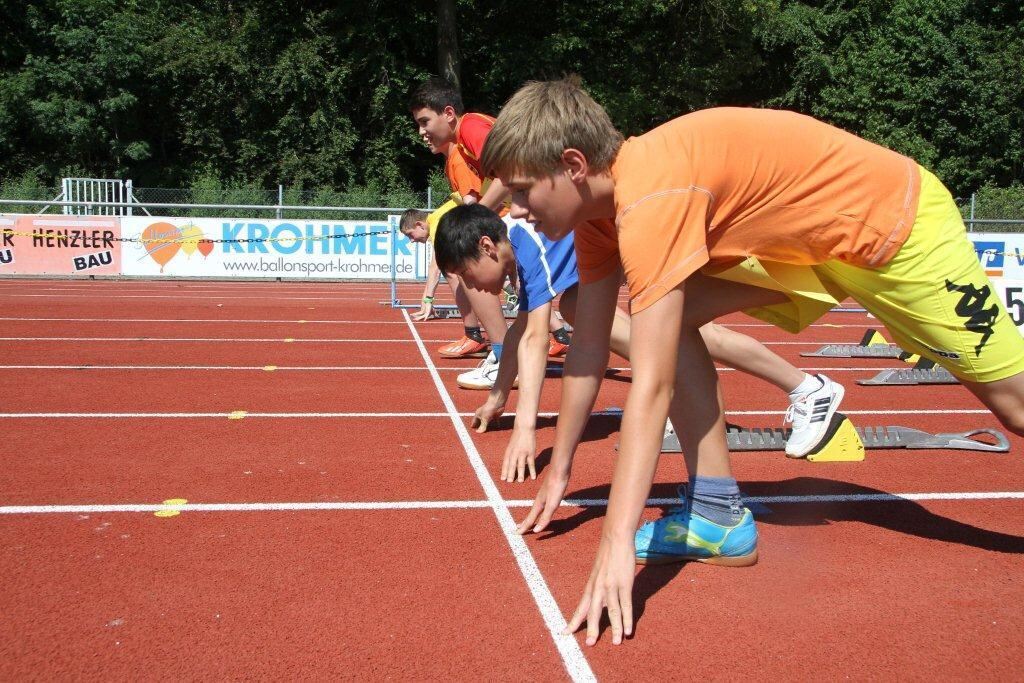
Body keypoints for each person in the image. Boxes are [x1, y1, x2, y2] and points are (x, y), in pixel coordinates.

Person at [479, 78, 1024, 646]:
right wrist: (561, 466)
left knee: (1015, 406)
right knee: (669, 315)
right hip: (810, 248)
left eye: (520, 191)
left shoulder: (652, 198)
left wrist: (615, 541)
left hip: (894, 227)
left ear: (572, 165)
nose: (514, 212)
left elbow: (653, 384)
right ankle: (717, 514)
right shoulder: (599, 216)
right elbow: (589, 348)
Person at [434, 203, 848, 485]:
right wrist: (498, 395)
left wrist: (526, 430)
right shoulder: (521, 247)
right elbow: (523, 328)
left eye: (466, 276)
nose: (470, 287)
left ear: (487, 247)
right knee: (584, 307)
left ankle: (806, 387)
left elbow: (537, 339)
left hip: (660, 238)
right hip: (635, 250)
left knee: (680, 329)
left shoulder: (531, 246)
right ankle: (785, 388)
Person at [410, 77, 572, 367]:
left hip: (542, 207)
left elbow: (509, 172)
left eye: (425, 122)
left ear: (448, 113)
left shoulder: (470, 126)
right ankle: (517, 350)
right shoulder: (464, 140)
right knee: (573, 302)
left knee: (468, 262)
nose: (421, 132)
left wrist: (477, 217)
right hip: (535, 207)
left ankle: (503, 356)